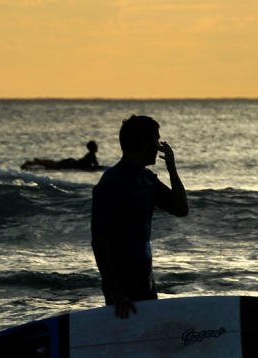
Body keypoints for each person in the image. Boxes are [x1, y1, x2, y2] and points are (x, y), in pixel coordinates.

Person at [91, 115, 188, 319]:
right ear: (142, 142)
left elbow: (180, 209)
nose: (158, 147)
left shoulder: (147, 179)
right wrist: (115, 293)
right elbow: (100, 242)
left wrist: (172, 168)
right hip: (121, 284)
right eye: (155, 140)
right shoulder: (111, 183)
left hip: (146, 279)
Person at [21, 140, 100, 171]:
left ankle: (35, 162)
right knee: (53, 166)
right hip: (71, 164)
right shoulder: (91, 155)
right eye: (96, 145)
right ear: (93, 147)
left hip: (71, 162)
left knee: (54, 163)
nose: (97, 147)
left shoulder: (90, 155)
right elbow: (96, 166)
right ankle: (34, 163)